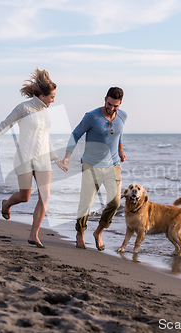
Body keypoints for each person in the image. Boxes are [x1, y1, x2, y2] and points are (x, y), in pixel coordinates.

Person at [0, 68, 67, 248]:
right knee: (25, 196)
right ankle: (6, 204)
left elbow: (45, 138)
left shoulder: (46, 112)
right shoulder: (23, 108)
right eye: (51, 97)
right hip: (24, 158)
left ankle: (33, 235)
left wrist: (56, 160)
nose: (53, 100)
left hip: (43, 160)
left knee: (44, 197)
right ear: (41, 95)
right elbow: (3, 126)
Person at [62, 87, 127, 251]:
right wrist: (67, 157)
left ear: (120, 104)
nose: (111, 108)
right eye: (109, 104)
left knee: (115, 202)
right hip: (91, 165)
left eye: (115, 106)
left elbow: (119, 133)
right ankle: (80, 233)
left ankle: (98, 232)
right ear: (105, 99)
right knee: (86, 203)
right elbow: (75, 134)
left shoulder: (122, 116)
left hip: (113, 165)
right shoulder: (91, 116)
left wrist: (120, 151)